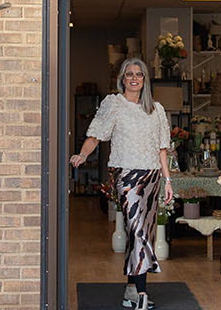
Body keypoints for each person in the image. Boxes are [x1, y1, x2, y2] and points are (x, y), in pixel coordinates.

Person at [71, 57, 175, 310]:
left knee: (141, 233)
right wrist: (83, 154)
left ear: (144, 80)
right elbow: (96, 135)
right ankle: (141, 294)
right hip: (127, 176)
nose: (134, 78)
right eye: (129, 74)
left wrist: (168, 180)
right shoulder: (113, 104)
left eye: (139, 74)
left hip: (152, 177)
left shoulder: (156, 109)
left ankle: (131, 288)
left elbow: (163, 149)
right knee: (138, 229)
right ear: (122, 78)